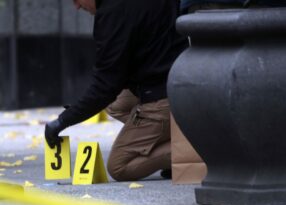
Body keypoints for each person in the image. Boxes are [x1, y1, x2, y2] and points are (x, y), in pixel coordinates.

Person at [45, 0, 188, 181]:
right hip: (182, 81)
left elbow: (105, 86)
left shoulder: (113, 14)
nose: (77, 7)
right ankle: (169, 133)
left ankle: (199, 150)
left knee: (119, 166)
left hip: (161, 95)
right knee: (116, 105)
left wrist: (62, 121)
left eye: (76, 0)